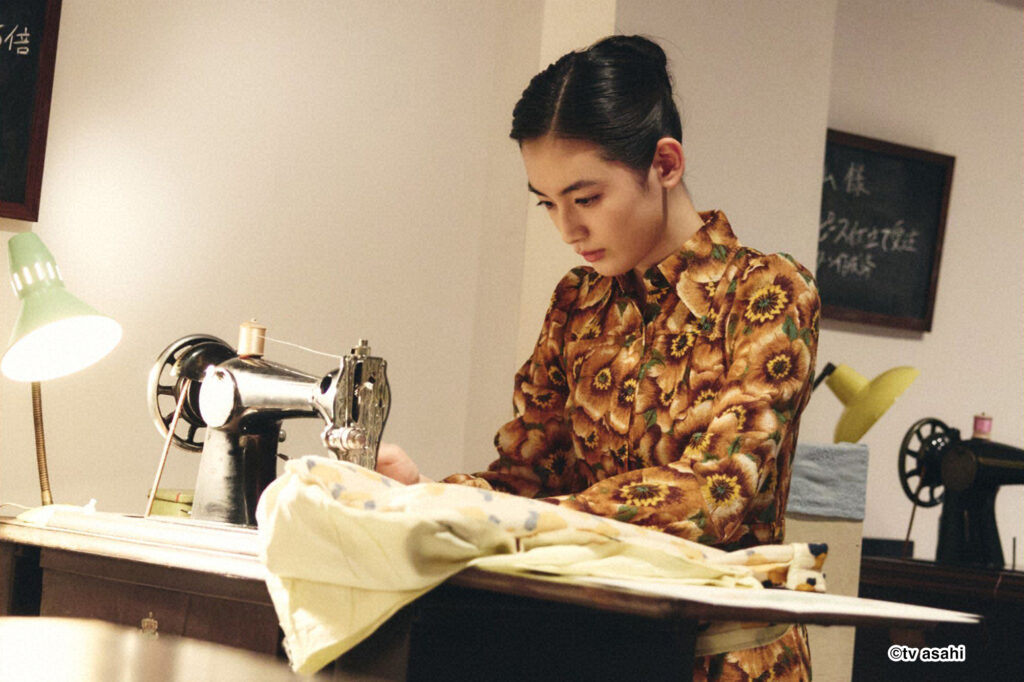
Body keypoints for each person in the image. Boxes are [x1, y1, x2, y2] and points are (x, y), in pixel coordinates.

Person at [377, 34, 820, 682]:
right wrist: (425, 498)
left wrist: (511, 520)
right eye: (547, 203)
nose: (567, 229)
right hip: (588, 650)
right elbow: (528, 476)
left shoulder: (767, 292)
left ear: (665, 163)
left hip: (723, 660)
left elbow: (716, 492)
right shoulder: (577, 303)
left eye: (585, 199)